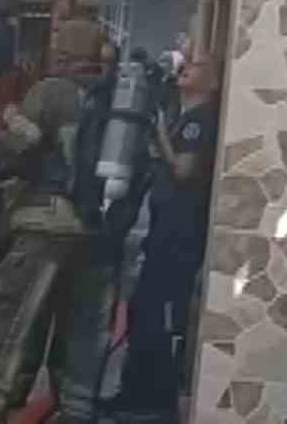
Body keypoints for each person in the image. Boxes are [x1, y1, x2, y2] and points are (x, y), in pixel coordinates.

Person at [0, 28, 116, 424]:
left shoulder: (52, 90)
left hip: (45, 224)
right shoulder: (116, 97)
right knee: (80, 329)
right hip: (96, 231)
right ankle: (76, 408)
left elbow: (20, 145)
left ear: (62, 52)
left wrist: (4, 120)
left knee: (18, 322)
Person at [107, 56, 222, 424]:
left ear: (213, 82)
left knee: (157, 316)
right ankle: (135, 392)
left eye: (198, 65)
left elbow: (184, 170)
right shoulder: (185, 117)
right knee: (143, 310)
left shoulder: (200, 121)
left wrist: (159, 134)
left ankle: (152, 399)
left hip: (178, 237)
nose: (186, 67)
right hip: (164, 232)